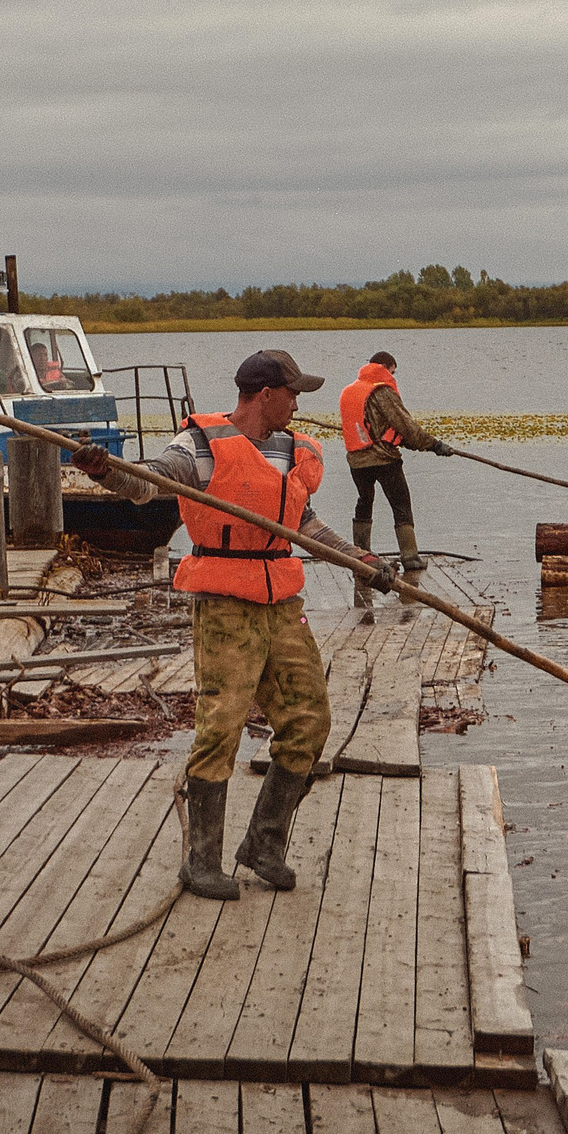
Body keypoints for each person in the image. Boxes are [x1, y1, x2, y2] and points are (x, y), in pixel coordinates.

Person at [71, 349, 394, 901]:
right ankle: (201, 863)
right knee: (220, 726)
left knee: (310, 720)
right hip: (224, 603)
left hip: (281, 604)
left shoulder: (293, 450)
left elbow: (304, 524)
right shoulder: (199, 446)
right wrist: (107, 473)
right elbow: (150, 483)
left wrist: (359, 559)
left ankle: (264, 844)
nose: (297, 403)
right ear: (264, 394)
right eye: (292, 393)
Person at [339, 351, 454, 580]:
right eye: (393, 370)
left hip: (356, 460)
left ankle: (361, 555)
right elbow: (405, 424)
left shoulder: (350, 390)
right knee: (401, 504)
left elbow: (371, 426)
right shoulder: (381, 390)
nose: (393, 375)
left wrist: (407, 443)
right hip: (383, 458)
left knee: (364, 501)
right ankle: (410, 557)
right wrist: (434, 445)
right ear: (386, 367)